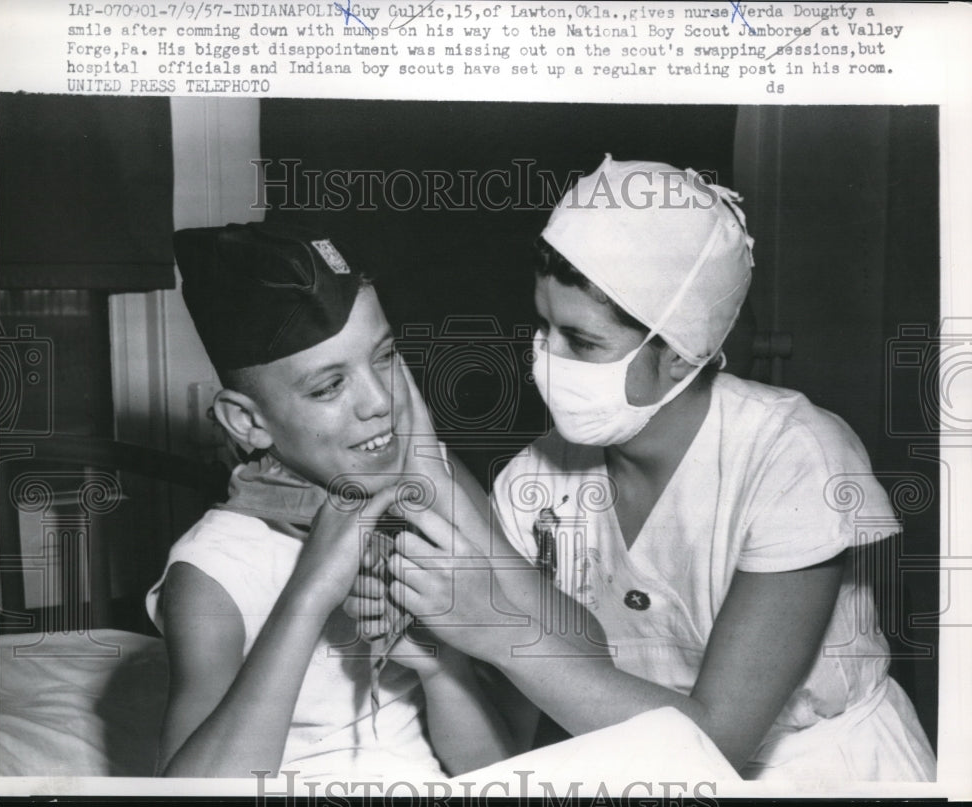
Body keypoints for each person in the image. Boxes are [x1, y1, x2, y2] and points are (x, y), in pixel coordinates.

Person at [346, 156, 937, 781]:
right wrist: (444, 661)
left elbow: (717, 745)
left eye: (583, 341)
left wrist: (499, 632)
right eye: (543, 327)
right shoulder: (534, 485)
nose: (545, 359)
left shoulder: (794, 457)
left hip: (831, 772)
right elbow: (505, 759)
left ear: (681, 355)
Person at [144, 222, 516, 780]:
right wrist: (309, 593)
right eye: (328, 387)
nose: (379, 401)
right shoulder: (214, 571)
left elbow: (502, 770)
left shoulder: (428, 503)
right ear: (247, 421)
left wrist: (442, 668)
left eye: (385, 357)